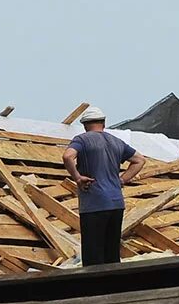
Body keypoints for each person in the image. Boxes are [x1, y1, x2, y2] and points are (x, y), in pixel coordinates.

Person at [62, 107, 145, 266]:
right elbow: (139, 160)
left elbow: (67, 156)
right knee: (112, 255)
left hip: (94, 205)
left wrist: (77, 178)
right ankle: (113, 287)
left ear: (85, 125)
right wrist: (121, 180)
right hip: (116, 204)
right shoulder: (116, 142)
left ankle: (95, 289)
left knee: (93, 257)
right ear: (104, 123)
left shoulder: (82, 140)